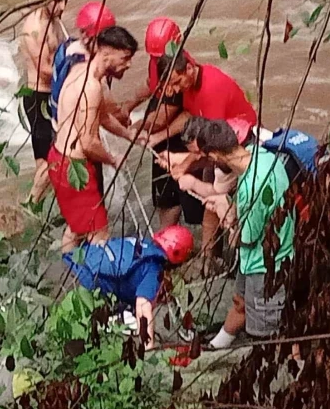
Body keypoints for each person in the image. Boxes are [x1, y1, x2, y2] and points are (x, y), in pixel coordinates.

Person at [141, 52, 258, 265]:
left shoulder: (212, 88)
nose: (176, 91)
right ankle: (208, 257)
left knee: (225, 206)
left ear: (190, 69)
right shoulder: (189, 86)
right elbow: (188, 115)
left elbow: (209, 143)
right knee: (210, 206)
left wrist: (182, 165)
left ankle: (233, 259)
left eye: (177, 83)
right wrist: (158, 137)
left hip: (237, 145)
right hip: (216, 147)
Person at [194, 121, 294, 349]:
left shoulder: (253, 189)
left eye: (209, 158)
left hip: (267, 265)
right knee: (240, 302)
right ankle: (217, 344)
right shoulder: (260, 154)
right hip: (257, 256)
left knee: (264, 331)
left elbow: (245, 240)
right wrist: (226, 203)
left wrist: (223, 211)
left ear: (216, 154)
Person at [48, 26, 139, 253]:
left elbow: (101, 115)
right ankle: (93, 284)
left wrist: (128, 134)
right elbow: (88, 143)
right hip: (75, 169)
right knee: (100, 236)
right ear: (106, 53)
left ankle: (69, 273)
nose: (128, 65)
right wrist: (112, 159)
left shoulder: (79, 70)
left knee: (76, 228)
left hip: (58, 158)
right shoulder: (92, 87)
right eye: (125, 58)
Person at [123, 18, 205, 230]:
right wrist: (129, 105)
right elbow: (151, 84)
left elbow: (162, 118)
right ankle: (168, 238)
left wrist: (137, 126)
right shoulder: (158, 60)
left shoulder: (182, 75)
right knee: (165, 198)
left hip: (180, 139)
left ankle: (198, 246)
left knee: (191, 200)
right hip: (160, 138)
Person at [63, 225, 194, 349]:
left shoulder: (143, 245)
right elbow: (143, 307)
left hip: (77, 257)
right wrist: (148, 347)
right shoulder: (153, 270)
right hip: (89, 284)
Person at [19, 0, 72, 204]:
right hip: (38, 97)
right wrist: (75, 73)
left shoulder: (55, 23)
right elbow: (45, 70)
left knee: (48, 160)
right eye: (59, 1)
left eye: (66, 0)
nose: (63, 7)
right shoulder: (35, 28)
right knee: (49, 159)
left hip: (53, 95)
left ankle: (41, 202)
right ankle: (31, 204)